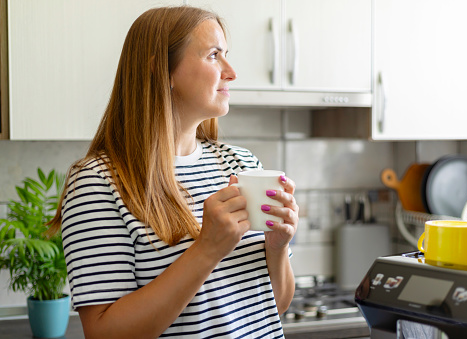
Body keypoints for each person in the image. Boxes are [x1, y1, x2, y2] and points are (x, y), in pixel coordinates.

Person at [47, 5, 299, 339]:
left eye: (226, 55)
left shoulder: (241, 165)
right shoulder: (98, 183)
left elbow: (274, 306)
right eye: (213, 55)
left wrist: (278, 247)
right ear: (162, 71)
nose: (231, 72)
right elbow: (104, 332)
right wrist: (207, 249)